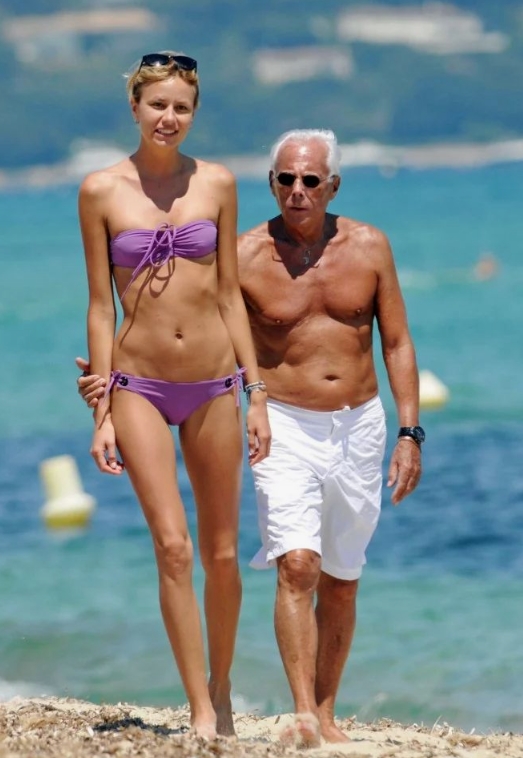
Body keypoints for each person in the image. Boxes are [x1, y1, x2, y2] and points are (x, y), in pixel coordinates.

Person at [78, 128, 422, 746]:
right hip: (282, 419)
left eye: (310, 180)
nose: (297, 191)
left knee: (342, 577)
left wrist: (409, 430)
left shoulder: (370, 246)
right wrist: (113, 372)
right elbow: (183, 308)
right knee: (297, 563)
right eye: (285, 179)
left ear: (333, 185)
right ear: (271, 183)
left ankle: (327, 712)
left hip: (361, 422)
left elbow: (396, 341)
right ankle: (302, 714)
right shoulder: (246, 253)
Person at [77, 50, 270, 740]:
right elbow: (101, 306)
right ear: (134, 107)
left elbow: (229, 294)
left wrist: (257, 392)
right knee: (173, 548)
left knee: (222, 553)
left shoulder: (216, 183)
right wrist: (101, 410)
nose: (168, 117)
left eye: (181, 107)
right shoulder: (100, 191)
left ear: (194, 113)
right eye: (157, 104)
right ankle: (198, 708)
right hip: (138, 386)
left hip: (215, 383)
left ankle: (222, 689)